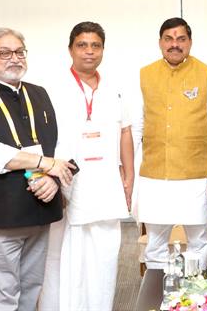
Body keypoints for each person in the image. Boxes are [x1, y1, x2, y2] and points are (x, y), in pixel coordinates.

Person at [0, 27, 75, 311]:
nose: (15, 58)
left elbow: (59, 143)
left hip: (38, 213)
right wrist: (45, 164)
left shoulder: (39, 94)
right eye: (5, 53)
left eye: (20, 52)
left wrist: (54, 180)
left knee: (31, 293)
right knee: (1, 300)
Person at [49, 22, 134, 311]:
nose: (89, 51)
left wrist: (129, 177)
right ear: (70, 49)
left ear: (103, 50)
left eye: (95, 45)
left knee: (106, 254)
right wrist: (52, 179)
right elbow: (45, 138)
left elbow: (125, 132)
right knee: (71, 255)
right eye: (82, 45)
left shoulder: (114, 89)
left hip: (106, 182)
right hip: (70, 181)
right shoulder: (54, 89)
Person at [133, 17, 207, 271]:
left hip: (196, 176)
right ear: (160, 42)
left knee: (198, 242)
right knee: (155, 244)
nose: (175, 44)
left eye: (181, 39)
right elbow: (136, 128)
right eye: (169, 39)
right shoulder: (144, 75)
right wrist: (129, 174)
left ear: (190, 42)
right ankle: (158, 291)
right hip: (154, 176)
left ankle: (193, 292)